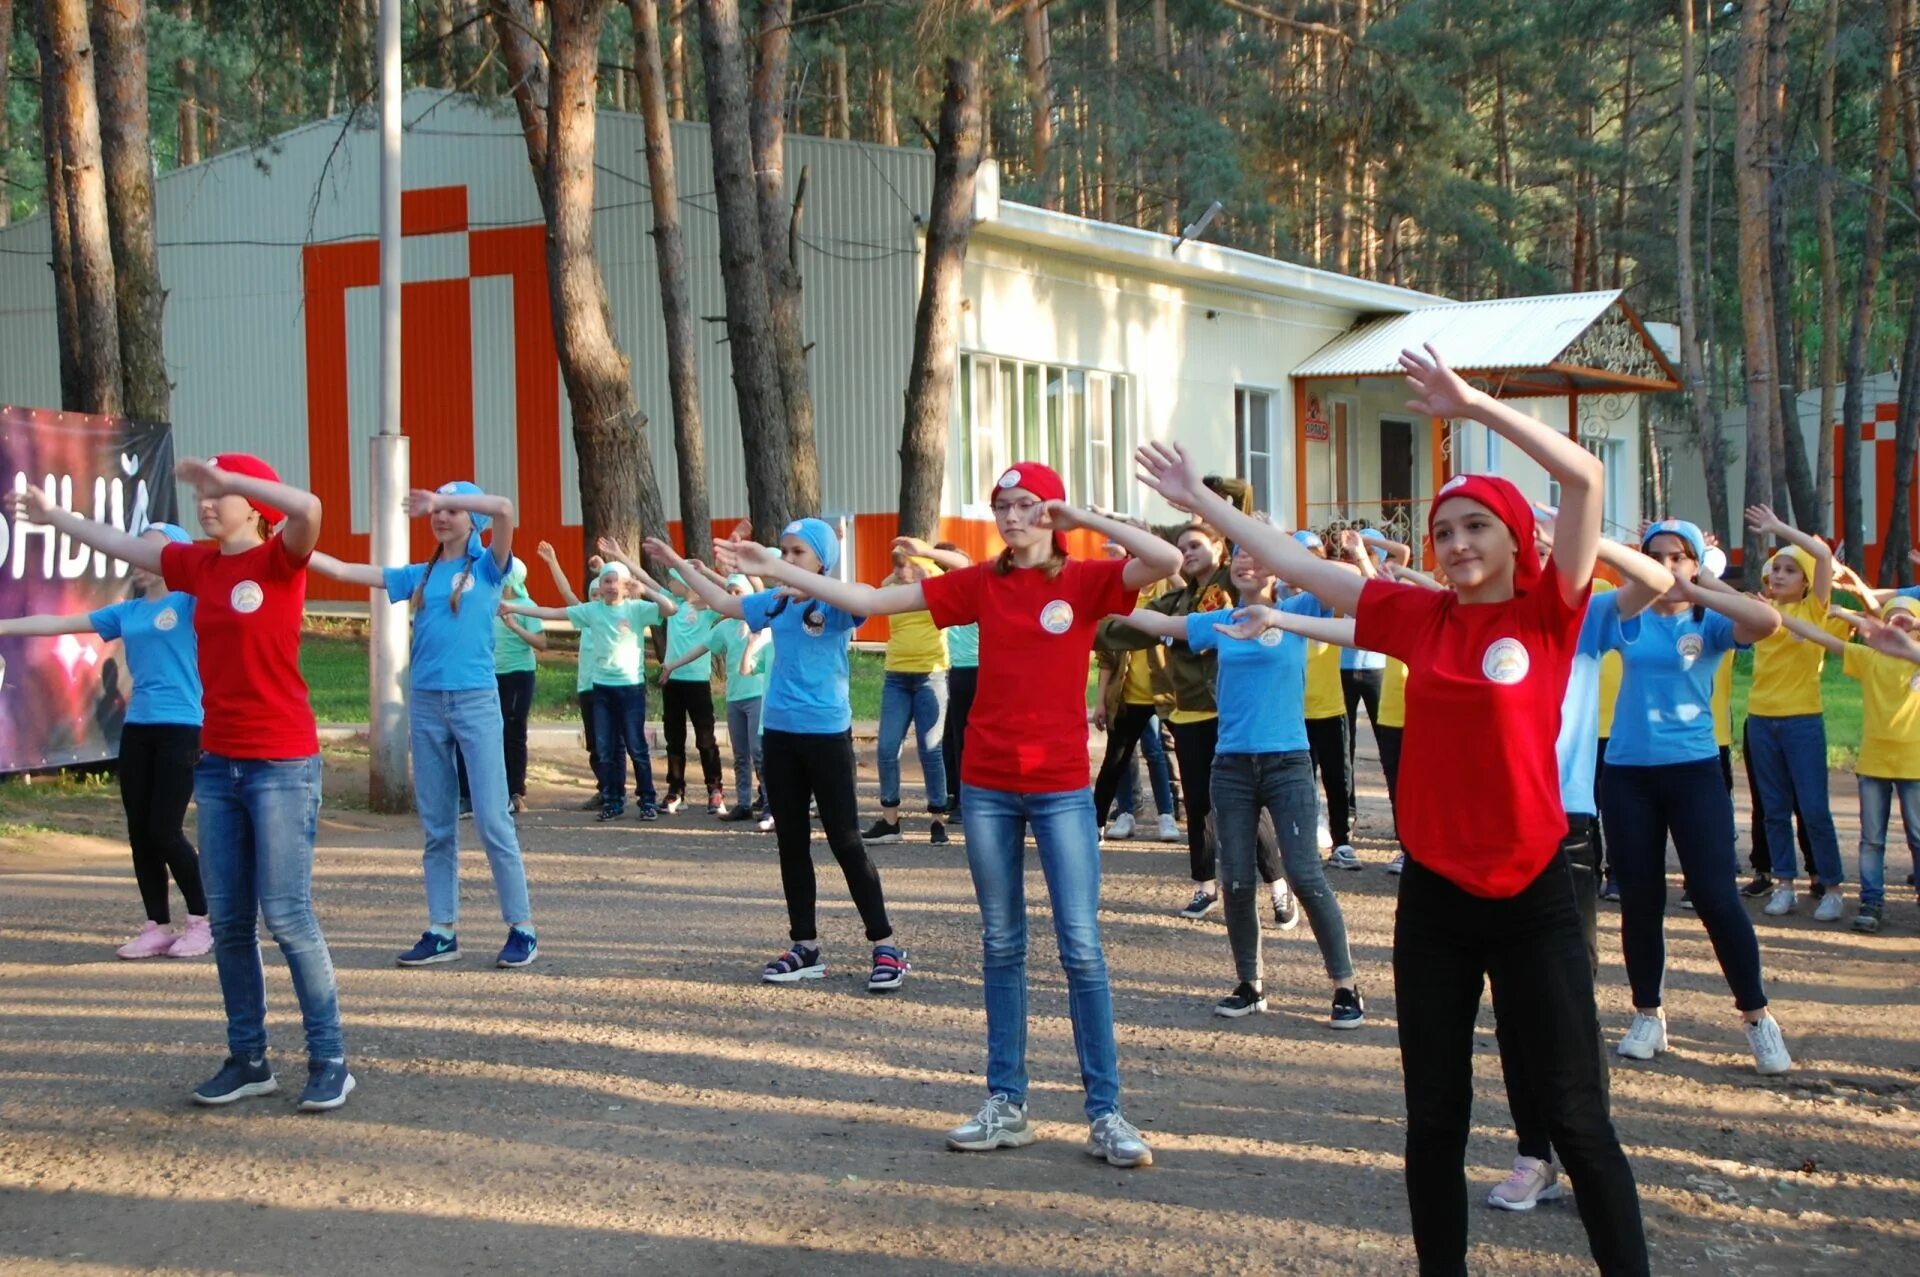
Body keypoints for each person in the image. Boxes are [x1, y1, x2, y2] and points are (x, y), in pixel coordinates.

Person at [1139, 346, 1648, 1274]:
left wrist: (1471, 406)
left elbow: (1585, 474)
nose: (1455, 544)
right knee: (1435, 1120)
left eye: (1474, 528)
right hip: (1439, 903)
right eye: (1444, 531)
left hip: (1535, 891)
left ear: (1512, 542)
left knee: (1576, 1115)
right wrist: (1204, 502)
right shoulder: (1418, 620)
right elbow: (1290, 558)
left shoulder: (1551, 608)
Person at [710, 465, 1180, 1168]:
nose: (1012, 517)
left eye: (1027, 506)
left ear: (1049, 513)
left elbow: (1166, 560)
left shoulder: (1084, 581)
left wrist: (1081, 515)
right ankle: (1006, 1102)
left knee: (1080, 945)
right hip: (987, 785)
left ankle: (1105, 1112)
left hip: (1058, 788)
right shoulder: (981, 582)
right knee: (1001, 943)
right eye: (1002, 506)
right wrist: (776, 566)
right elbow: (866, 594)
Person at [11, 454, 356, 1112]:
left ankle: (330, 1058)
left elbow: (309, 508)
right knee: (228, 922)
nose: (207, 501)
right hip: (218, 762)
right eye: (204, 493)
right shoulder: (197, 566)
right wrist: (58, 518)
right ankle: (249, 1057)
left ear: (254, 506)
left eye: (221, 493)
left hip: (282, 762)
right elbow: (119, 543)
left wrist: (231, 477)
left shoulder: (282, 557)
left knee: (286, 915)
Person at [644, 522, 909, 993]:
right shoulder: (776, 603)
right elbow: (726, 604)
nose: (787, 559)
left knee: (846, 841)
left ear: (821, 562)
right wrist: (675, 561)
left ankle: (885, 946)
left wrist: (787, 572)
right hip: (781, 734)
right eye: (782, 551)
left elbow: (864, 595)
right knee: (791, 842)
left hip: (827, 736)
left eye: (797, 552)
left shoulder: (836, 604)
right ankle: (804, 946)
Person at [1130, 542, 1364, 1027]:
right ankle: (1250, 984)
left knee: (1303, 874)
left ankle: (1344, 984)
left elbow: (1342, 576)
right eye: (1238, 554)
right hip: (1231, 766)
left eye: (1256, 555)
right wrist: (1103, 604)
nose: (1244, 561)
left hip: (1287, 763)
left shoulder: (1298, 609)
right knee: (1236, 878)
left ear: (1276, 569)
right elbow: (1161, 625)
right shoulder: (1219, 620)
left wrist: (1282, 553)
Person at [309, 482, 539, 970]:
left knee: (494, 820)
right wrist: (294, 548)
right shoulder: (424, 573)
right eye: (437, 509)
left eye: (453, 510)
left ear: (471, 522)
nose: (440, 516)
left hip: (475, 702)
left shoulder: (490, 567)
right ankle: (442, 930)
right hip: (427, 703)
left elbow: (503, 507)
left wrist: (442, 499)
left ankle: (521, 928)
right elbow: (349, 570)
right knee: (437, 826)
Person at [1599, 518, 1791, 1076]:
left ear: (1694, 563)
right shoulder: (1624, 615)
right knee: (1639, 897)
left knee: (1714, 896)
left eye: (1676, 556)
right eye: (1653, 555)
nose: (1664, 565)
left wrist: (1699, 585)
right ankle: (1648, 1015)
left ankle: (1757, 1018)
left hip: (1694, 772)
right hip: (1628, 771)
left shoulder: (1709, 621)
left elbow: (1768, 619)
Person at [0, 522, 211, 961]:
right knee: (139, 831)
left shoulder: (193, 602)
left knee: (165, 829)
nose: (137, 556)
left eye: (147, 549)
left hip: (183, 726)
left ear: (173, 556)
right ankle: (157, 926)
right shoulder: (127, 612)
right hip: (138, 728)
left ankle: (203, 921)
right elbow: (57, 623)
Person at [1777, 597, 1920, 934]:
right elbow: (1822, 637)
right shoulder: (1868, 657)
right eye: (1891, 619)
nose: (1899, 624)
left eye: (1908, 619)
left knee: (1918, 837)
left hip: (1915, 766)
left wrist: (1910, 627)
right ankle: (1871, 902)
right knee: (1872, 839)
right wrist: (1780, 615)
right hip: (1873, 764)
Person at [509, 542, 676, 821]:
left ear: (625, 586)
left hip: (631, 688)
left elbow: (670, 609)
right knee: (605, 747)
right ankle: (613, 800)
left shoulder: (637, 609)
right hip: (601, 689)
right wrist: (513, 607)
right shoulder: (592, 610)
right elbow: (553, 612)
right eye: (606, 581)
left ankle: (647, 800)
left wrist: (645, 590)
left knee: (637, 747)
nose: (610, 586)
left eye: (616, 582)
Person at [1742, 504, 1851, 919]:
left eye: (1790, 570)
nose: (1780, 575)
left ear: (1806, 582)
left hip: (1803, 720)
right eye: (1776, 569)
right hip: (1761, 720)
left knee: (1813, 808)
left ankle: (1832, 887)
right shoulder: (1761, 611)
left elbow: (1823, 555)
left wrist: (1777, 528)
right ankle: (1784, 883)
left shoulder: (1813, 611)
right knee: (1773, 808)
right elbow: (1713, 591)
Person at [663, 568, 772, 824]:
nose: (734, 596)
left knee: (759, 752)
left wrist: (742, 571)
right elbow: (700, 648)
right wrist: (672, 665)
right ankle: (744, 804)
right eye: (730, 592)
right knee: (740, 754)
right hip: (735, 699)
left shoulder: (761, 622)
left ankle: (769, 802)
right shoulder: (724, 627)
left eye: (739, 592)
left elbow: (762, 592)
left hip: (757, 696)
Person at [865, 549, 951, 846]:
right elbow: (876, 594)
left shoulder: (934, 585)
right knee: (887, 747)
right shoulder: (891, 589)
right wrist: (898, 572)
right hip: (896, 677)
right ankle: (890, 822)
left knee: (930, 749)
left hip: (932, 674)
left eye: (906, 566)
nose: (900, 571)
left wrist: (920, 564)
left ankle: (938, 820)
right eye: (896, 566)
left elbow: (945, 574)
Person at [536, 541, 608, 812]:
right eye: (593, 595)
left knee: (611, 740)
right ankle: (604, 789)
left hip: (609, 685)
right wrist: (553, 561)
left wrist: (602, 568)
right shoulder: (585, 617)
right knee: (594, 742)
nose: (597, 599)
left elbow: (617, 585)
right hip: (587, 687)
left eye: (601, 594)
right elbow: (566, 592)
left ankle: (618, 790)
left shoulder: (616, 616)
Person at [658, 568, 725, 816]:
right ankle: (676, 791)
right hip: (672, 679)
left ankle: (715, 790)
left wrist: (706, 572)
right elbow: (645, 583)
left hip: (697, 681)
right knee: (674, 738)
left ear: (684, 582)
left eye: (671, 578)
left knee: (705, 738)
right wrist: (621, 558)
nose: (667, 583)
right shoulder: (672, 605)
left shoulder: (706, 609)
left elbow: (729, 593)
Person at [494, 558, 547, 814]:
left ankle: (516, 791)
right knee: (491, 733)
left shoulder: (527, 606)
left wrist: (515, 627)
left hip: (518, 675)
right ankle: (492, 790)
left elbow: (541, 643)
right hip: (490, 676)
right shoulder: (489, 604)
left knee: (513, 732)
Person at [934, 541, 980, 826]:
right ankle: (953, 792)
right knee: (949, 738)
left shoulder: (974, 591)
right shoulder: (945, 594)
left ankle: (966, 801)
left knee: (965, 738)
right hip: (948, 670)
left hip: (974, 669)